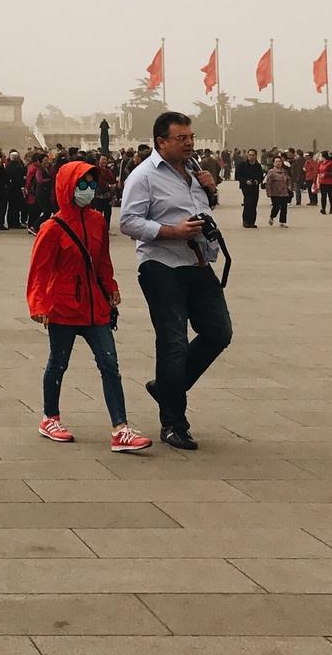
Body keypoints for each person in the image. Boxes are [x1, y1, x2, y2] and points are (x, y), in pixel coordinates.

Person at [117, 112, 229, 452]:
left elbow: (202, 208)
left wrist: (210, 191)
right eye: (181, 138)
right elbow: (128, 221)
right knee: (173, 342)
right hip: (161, 265)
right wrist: (171, 232)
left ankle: (166, 387)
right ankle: (174, 423)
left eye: (191, 137)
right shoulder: (144, 176)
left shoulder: (194, 171)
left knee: (218, 332)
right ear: (161, 141)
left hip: (197, 262)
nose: (189, 143)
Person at [27, 158, 151, 454]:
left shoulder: (97, 220)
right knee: (58, 363)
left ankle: (120, 428)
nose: (88, 189)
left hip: (95, 306)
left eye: (92, 184)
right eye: (82, 184)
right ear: (68, 187)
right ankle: (50, 417)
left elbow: (102, 261)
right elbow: (39, 270)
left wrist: (111, 288)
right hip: (64, 305)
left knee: (110, 364)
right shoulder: (52, 228)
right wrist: (39, 304)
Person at [233, 149, 263, 229]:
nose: (251, 157)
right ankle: (246, 221)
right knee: (248, 202)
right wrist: (246, 181)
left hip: (255, 187)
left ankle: (252, 222)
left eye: (253, 155)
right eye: (250, 155)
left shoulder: (258, 166)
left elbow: (261, 176)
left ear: (256, 156)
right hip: (245, 187)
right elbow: (238, 176)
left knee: (254, 203)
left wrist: (257, 181)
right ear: (247, 155)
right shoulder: (242, 165)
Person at [262, 161, 292, 228]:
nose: (278, 163)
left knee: (284, 207)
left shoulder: (285, 171)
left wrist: (289, 186)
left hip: (284, 192)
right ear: (273, 163)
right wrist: (268, 192)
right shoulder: (271, 172)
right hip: (275, 192)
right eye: (276, 162)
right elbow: (268, 183)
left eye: (279, 161)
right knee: (276, 207)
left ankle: (282, 222)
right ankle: (272, 217)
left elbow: (288, 179)